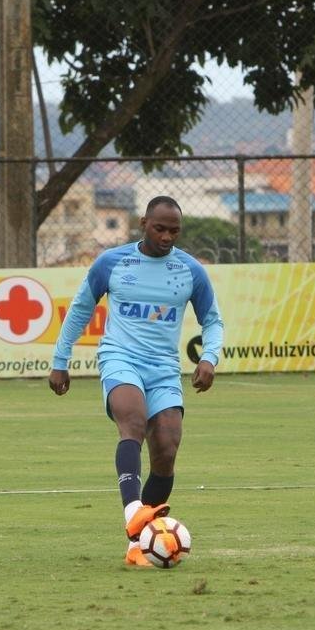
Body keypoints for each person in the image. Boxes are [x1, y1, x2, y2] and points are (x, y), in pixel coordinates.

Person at [49, 196, 224, 566]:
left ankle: (141, 545)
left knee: (167, 447)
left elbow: (213, 320)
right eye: (159, 228)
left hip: (163, 368)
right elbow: (81, 309)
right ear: (143, 222)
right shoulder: (112, 262)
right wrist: (60, 361)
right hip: (120, 357)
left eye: (174, 231)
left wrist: (209, 357)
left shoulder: (190, 270)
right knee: (132, 421)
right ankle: (134, 515)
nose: (166, 236)